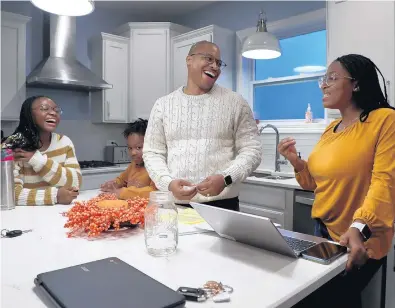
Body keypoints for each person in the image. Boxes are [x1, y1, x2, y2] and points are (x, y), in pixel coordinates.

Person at [278, 54, 395, 308]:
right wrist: (297, 163)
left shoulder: (385, 120)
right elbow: (316, 183)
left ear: (356, 84)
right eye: (323, 79)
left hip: (360, 236)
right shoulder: (331, 129)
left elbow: (385, 182)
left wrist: (359, 227)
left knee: (331, 299)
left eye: (332, 78)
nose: (324, 85)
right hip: (324, 232)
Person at [143, 40, 262, 211]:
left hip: (223, 206)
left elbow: (253, 151)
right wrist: (168, 184)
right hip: (176, 206)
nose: (215, 66)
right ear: (189, 60)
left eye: (218, 63)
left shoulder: (236, 103)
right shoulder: (163, 105)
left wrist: (226, 178)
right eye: (208, 59)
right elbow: (153, 152)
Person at [7, 96, 82, 206]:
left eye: (56, 110)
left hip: (58, 214)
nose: (53, 113)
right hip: (25, 217)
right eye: (44, 108)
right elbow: (10, 194)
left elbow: (76, 182)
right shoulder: (12, 146)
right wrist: (55, 196)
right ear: (29, 114)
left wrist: (37, 160)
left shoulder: (65, 142)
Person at [100, 118, 157, 199]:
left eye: (138, 147)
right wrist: (114, 184)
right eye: (130, 148)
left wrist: (122, 192)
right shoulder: (133, 165)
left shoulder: (156, 168)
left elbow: (154, 192)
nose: (133, 153)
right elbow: (122, 180)